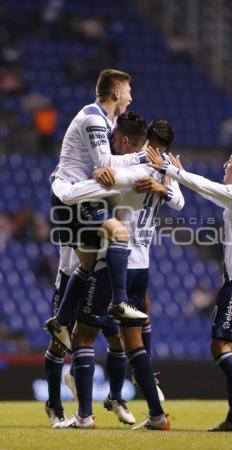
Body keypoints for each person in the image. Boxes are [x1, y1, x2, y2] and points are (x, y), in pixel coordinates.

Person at [53, 113, 184, 430]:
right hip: (144, 267)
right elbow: (178, 201)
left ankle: (84, 417)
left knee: (82, 337)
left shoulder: (133, 172)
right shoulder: (167, 174)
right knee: (133, 343)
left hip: (116, 267)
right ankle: (155, 415)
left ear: (145, 143)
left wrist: (61, 181)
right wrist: (167, 181)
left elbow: (79, 192)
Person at [147, 145, 232, 432]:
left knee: (219, 347)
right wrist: (179, 176)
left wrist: (172, 171)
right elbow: (210, 191)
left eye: (230, 162)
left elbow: (207, 188)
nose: (225, 165)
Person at [46, 69, 149, 352]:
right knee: (119, 227)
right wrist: (143, 156)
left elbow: (106, 161)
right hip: (71, 195)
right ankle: (118, 302)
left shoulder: (108, 121)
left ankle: (61, 321)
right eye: (129, 90)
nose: (132, 96)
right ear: (116, 92)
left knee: (88, 263)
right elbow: (105, 160)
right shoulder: (93, 117)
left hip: (83, 197)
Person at [44, 246, 135, 428]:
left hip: (100, 277)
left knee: (116, 336)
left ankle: (114, 397)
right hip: (70, 275)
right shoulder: (77, 218)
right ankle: (54, 405)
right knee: (60, 341)